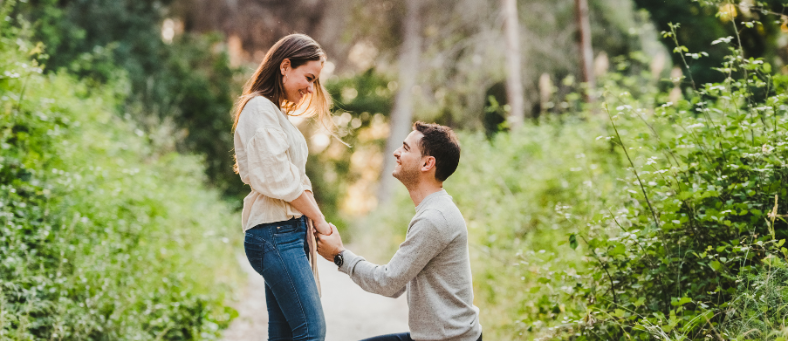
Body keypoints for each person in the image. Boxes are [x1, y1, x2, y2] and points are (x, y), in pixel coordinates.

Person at [316, 122, 483, 341]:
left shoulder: (434, 218)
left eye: (405, 148)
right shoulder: (433, 211)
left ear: (427, 163)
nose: (396, 152)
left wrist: (339, 256)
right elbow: (397, 285)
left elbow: (387, 283)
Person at [232, 33, 336, 341]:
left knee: (285, 334)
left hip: (283, 234)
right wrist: (319, 220)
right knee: (311, 331)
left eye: (315, 81)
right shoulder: (259, 109)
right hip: (274, 235)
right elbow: (281, 178)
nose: (311, 87)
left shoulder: (273, 112)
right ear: (285, 66)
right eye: (308, 77)